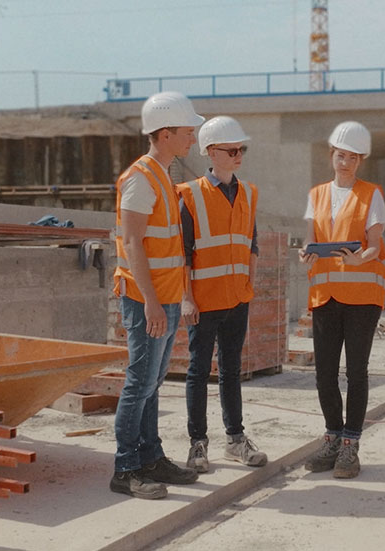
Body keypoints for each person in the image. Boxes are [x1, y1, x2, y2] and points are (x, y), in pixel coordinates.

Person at [110, 91, 203, 500]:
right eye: (188, 131)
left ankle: (151, 456)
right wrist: (150, 302)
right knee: (139, 383)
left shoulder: (162, 176)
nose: (193, 139)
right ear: (165, 134)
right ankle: (126, 468)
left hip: (163, 297)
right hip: (145, 299)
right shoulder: (140, 178)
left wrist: (172, 298)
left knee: (152, 384)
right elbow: (132, 242)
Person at [176, 116, 269, 473]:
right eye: (232, 150)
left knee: (231, 370)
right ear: (212, 152)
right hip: (202, 300)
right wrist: (187, 297)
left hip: (236, 299)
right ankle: (198, 444)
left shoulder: (248, 193)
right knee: (199, 371)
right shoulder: (191, 194)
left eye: (241, 149)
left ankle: (236, 440)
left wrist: (250, 286)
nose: (238, 155)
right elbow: (182, 252)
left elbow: (252, 243)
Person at [299, 121, 385, 479]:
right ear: (331, 155)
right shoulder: (317, 194)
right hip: (325, 295)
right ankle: (332, 436)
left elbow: (374, 245)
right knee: (324, 374)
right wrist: (305, 253)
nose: (346, 162)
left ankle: (351, 444)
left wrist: (360, 258)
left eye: (353, 157)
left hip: (362, 297)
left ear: (360, 160)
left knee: (355, 372)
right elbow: (310, 239)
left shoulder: (372, 194)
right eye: (341, 155)